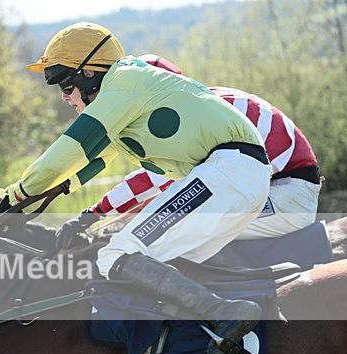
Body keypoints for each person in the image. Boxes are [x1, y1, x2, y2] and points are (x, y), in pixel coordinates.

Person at [0, 22, 274, 354]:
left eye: (66, 83)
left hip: (228, 172)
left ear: (91, 73)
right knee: (151, 268)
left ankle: (226, 315)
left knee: (117, 254)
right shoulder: (124, 97)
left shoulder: (123, 81)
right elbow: (90, 162)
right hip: (234, 177)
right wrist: (13, 202)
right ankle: (215, 341)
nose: (65, 96)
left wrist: (9, 198)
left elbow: (70, 149)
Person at [65, 54, 321, 242]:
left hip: (287, 194)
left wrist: (94, 214)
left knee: (170, 231)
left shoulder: (195, 117)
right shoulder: (204, 103)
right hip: (280, 188)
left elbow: (153, 180)